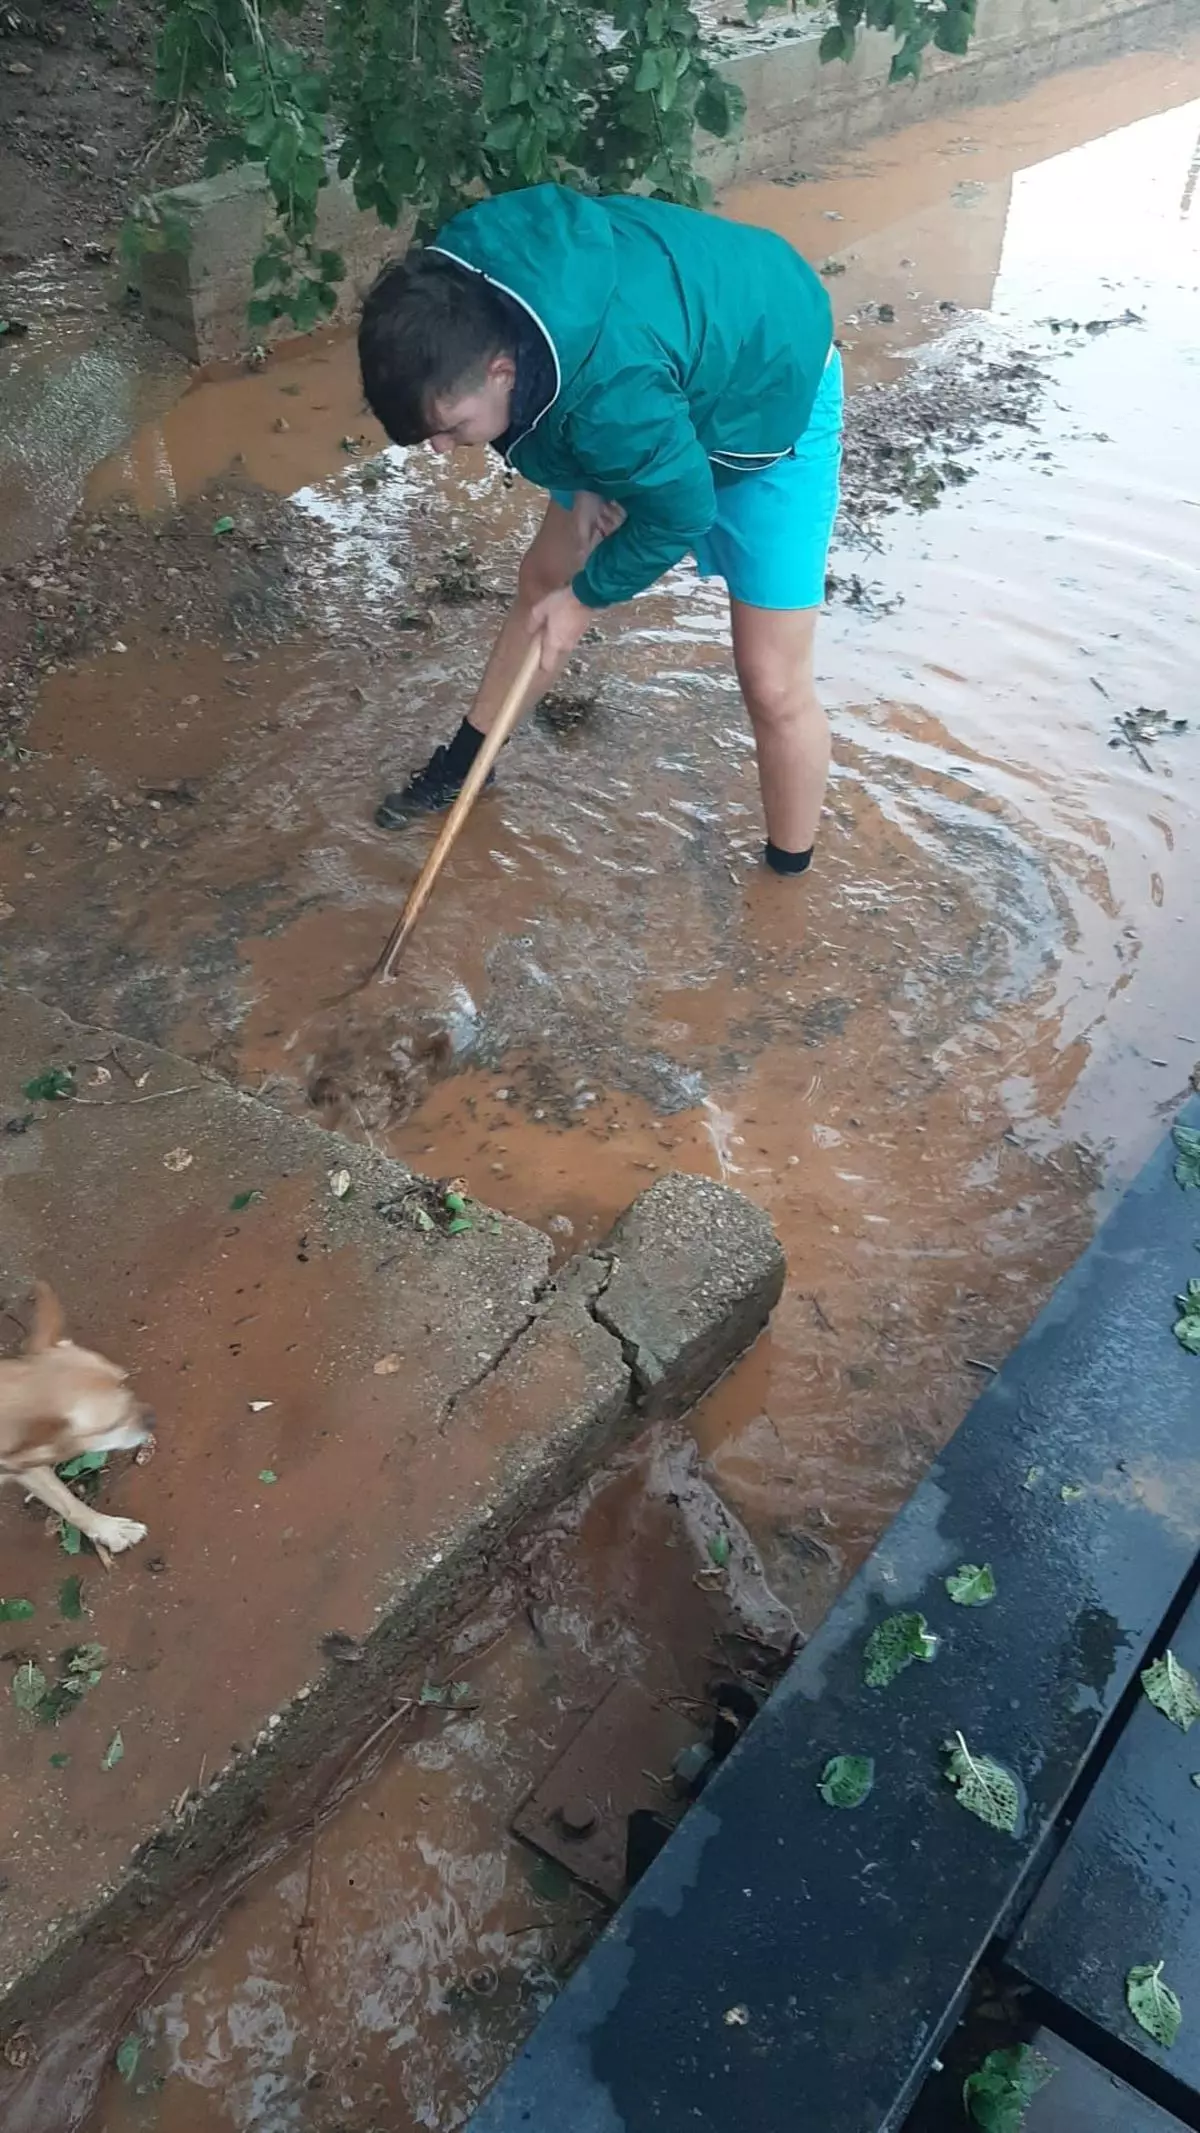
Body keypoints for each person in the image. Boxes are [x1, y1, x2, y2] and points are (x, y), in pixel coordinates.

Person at [358, 182, 842, 878]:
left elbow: (681, 510)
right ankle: (467, 767)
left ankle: (786, 881)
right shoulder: (459, 283)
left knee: (772, 680)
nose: (441, 449)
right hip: (648, 368)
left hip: (772, 391)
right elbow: (587, 388)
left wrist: (587, 598)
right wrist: (588, 481)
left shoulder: (612, 403)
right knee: (542, 580)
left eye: (451, 429)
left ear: (500, 370)